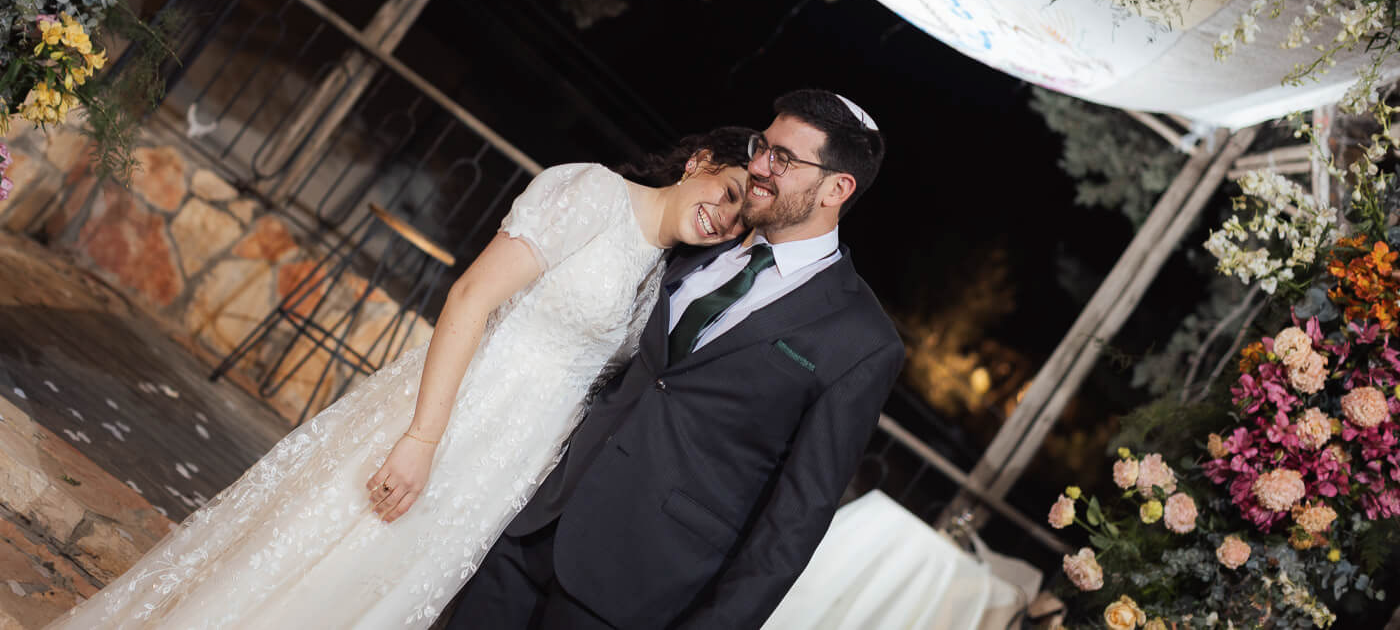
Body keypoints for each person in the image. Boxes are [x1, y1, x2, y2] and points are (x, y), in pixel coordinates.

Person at [47, 127, 754, 630]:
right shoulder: (594, 193)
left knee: (371, 594)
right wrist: (422, 437)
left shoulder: (661, 273)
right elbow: (471, 296)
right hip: (456, 416)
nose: (725, 218)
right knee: (324, 558)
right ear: (697, 161)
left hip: (506, 468)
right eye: (728, 192)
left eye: (741, 220)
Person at [450, 88, 904, 629]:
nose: (760, 166)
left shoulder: (861, 339)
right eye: (763, 147)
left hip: (636, 592)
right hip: (533, 528)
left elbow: (794, 524)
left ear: (837, 188)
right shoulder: (704, 236)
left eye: (783, 158)